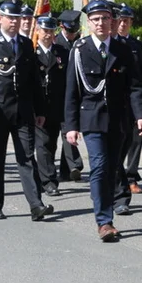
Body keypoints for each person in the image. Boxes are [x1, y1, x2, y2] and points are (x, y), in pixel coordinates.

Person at [63, 0, 142, 241]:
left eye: (105, 18)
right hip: (91, 119)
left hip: (118, 120)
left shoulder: (123, 50)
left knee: (111, 169)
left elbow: (135, 86)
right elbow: (72, 90)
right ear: (88, 23)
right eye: (95, 19)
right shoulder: (80, 50)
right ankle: (104, 221)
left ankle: (106, 208)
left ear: (112, 21)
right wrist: (71, 126)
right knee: (99, 167)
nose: (100, 23)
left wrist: (141, 114)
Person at [0, 0, 54, 221]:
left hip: (23, 111)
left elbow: (34, 81)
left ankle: (36, 205)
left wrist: (40, 110)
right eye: (10, 18)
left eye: (18, 18)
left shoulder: (26, 44)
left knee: (27, 158)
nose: (15, 22)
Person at [112, 4, 142, 210]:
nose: (123, 23)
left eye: (127, 20)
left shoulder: (136, 45)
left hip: (135, 103)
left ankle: (131, 176)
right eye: (120, 20)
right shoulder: (110, 43)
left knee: (136, 141)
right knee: (118, 147)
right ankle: (117, 183)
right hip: (117, 104)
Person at [32, 15, 69, 197]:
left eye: (50, 31)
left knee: (52, 144)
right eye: (44, 31)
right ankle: (49, 181)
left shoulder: (61, 52)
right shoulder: (32, 52)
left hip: (56, 105)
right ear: (37, 31)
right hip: (38, 105)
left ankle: (41, 177)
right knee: (43, 143)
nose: (47, 35)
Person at [55, 10, 85, 181]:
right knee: (67, 130)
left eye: (74, 30)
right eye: (69, 30)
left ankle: (66, 171)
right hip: (60, 96)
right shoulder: (57, 44)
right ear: (62, 27)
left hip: (76, 95)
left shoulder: (79, 44)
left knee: (69, 130)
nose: (72, 33)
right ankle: (75, 163)